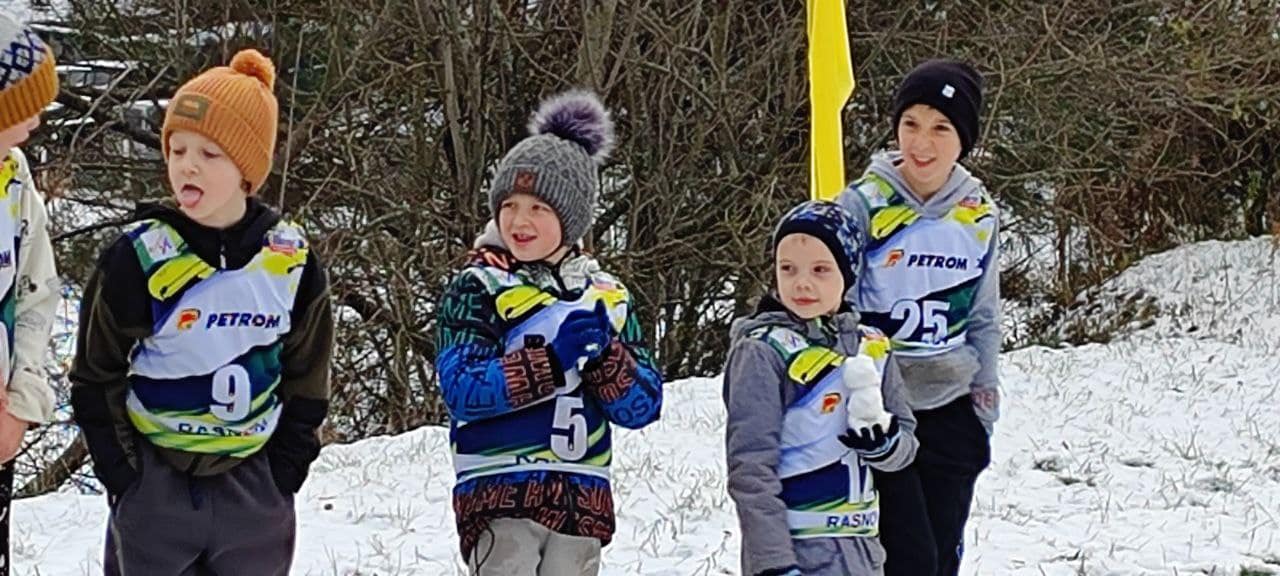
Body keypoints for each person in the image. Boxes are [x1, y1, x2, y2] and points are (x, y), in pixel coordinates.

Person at [724, 200, 918, 576]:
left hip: (861, 552)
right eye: (788, 268)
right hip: (796, 552)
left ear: (847, 273)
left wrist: (886, 444)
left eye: (820, 270)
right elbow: (751, 467)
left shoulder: (871, 346)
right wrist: (774, 563)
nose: (802, 283)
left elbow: (907, 444)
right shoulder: (763, 350)